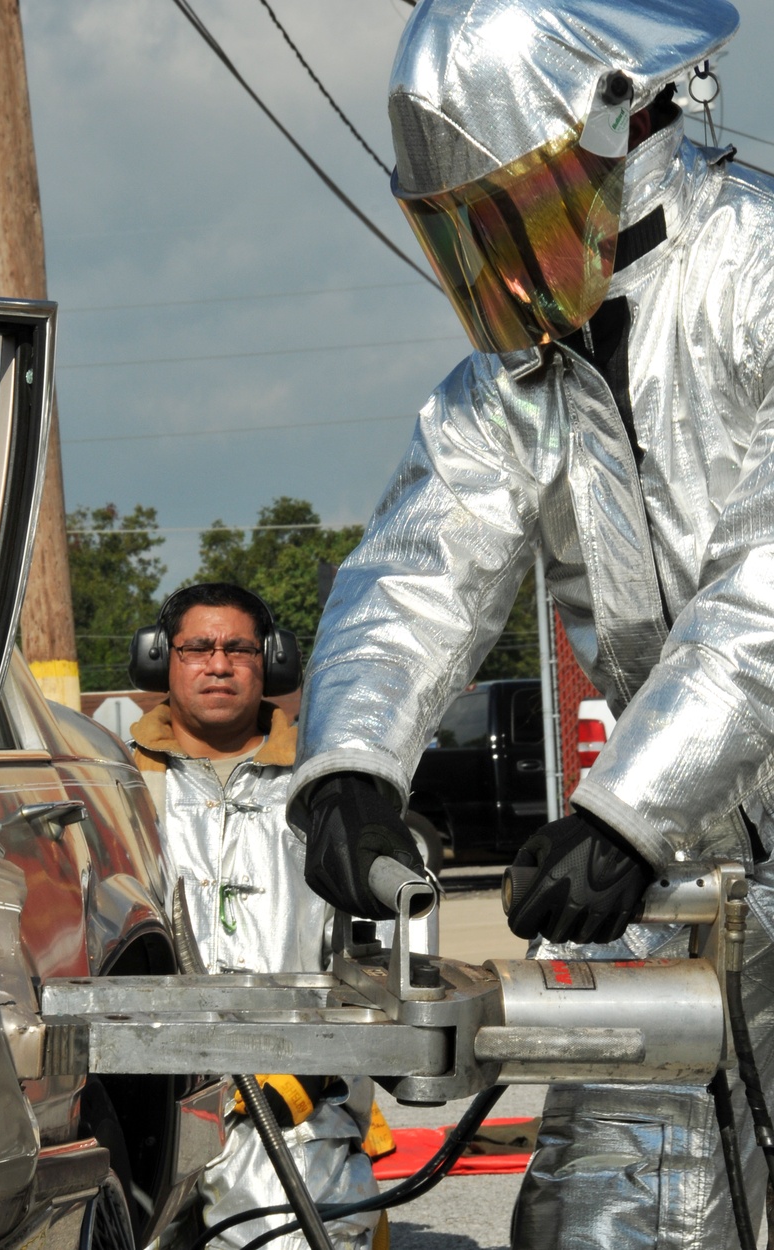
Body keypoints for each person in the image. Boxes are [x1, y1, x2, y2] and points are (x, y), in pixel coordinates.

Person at [285, 0, 774, 1245]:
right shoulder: (519, 372)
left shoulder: (761, 276)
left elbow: (763, 584)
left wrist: (622, 810)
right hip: (685, 876)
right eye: (465, 229)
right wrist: (349, 768)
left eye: (511, 208)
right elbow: (418, 564)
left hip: (654, 835)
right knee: (608, 1218)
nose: (494, 259)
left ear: (622, 126)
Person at [127, 583, 384, 1250]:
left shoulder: (327, 788)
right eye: (197, 648)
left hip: (293, 1098)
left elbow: (374, 958)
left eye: (239, 648)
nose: (219, 664)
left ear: (271, 659)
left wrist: (305, 1076)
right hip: (144, 1100)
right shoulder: (114, 785)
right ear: (161, 659)